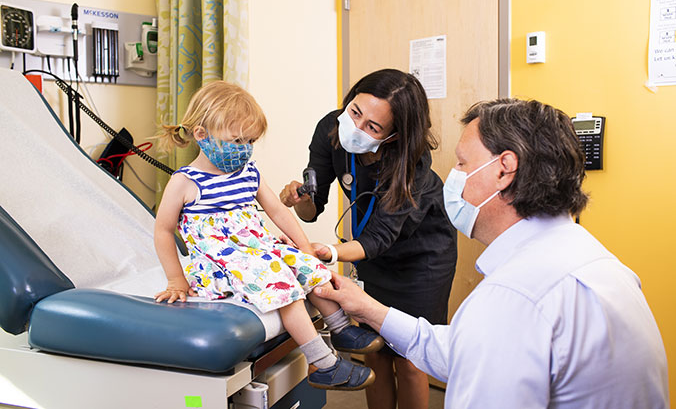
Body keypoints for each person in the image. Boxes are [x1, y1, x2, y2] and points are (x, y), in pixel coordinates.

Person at [313, 97, 670, 408]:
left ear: (504, 170)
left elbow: (490, 343)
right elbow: (466, 350)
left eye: (462, 164)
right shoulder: (585, 255)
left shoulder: (514, 297)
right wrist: (369, 309)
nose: (453, 176)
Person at [152, 81, 386, 391]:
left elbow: (278, 212)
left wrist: (304, 248)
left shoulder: (248, 172)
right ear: (201, 135)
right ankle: (323, 363)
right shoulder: (185, 182)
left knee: (309, 268)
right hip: (222, 260)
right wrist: (175, 280)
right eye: (236, 140)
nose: (243, 148)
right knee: (283, 285)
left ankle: (341, 328)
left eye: (249, 140)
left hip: (255, 248)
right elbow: (163, 230)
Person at [280, 69, 457, 409]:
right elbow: (311, 208)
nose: (356, 128)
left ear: (394, 135)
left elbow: (379, 236)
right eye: (355, 112)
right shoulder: (331, 129)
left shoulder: (411, 162)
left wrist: (329, 252)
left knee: (409, 357)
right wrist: (301, 200)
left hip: (422, 259)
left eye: (372, 127)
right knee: (374, 350)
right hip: (372, 255)